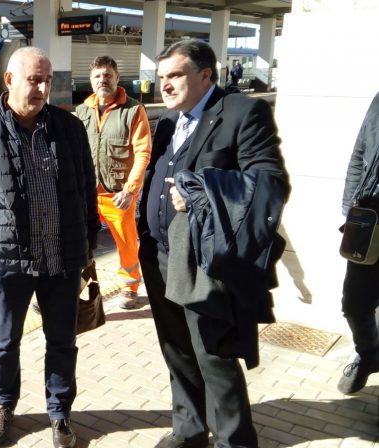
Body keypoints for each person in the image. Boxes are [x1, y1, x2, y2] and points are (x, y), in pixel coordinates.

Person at [0, 46, 99, 448]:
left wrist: (85, 247)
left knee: (62, 341)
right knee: (4, 341)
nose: (43, 87)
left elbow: (85, 191)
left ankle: (60, 413)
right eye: (35, 79)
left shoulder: (70, 128)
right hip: (7, 263)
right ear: (10, 80)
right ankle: (4, 405)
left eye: (48, 80)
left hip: (62, 260)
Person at [137, 39, 289, 448]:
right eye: (160, 76)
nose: (163, 85)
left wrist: (202, 191)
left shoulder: (243, 113)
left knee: (213, 353)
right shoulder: (169, 122)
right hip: (160, 254)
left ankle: (233, 440)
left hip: (201, 261)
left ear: (205, 75)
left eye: (174, 76)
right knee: (176, 348)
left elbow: (271, 183)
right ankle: (188, 429)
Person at [75, 56, 152, 309]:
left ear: (117, 78)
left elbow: (142, 152)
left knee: (126, 241)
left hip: (117, 192)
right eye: (97, 76)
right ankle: (77, 284)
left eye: (107, 75)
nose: (102, 80)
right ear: (91, 80)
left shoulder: (133, 110)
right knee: (79, 240)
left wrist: (131, 190)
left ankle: (130, 286)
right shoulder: (83, 110)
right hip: (85, 192)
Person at [338, 92, 379, 394]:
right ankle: (369, 353)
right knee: (354, 303)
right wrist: (350, 208)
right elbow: (358, 154)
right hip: (371, 217)